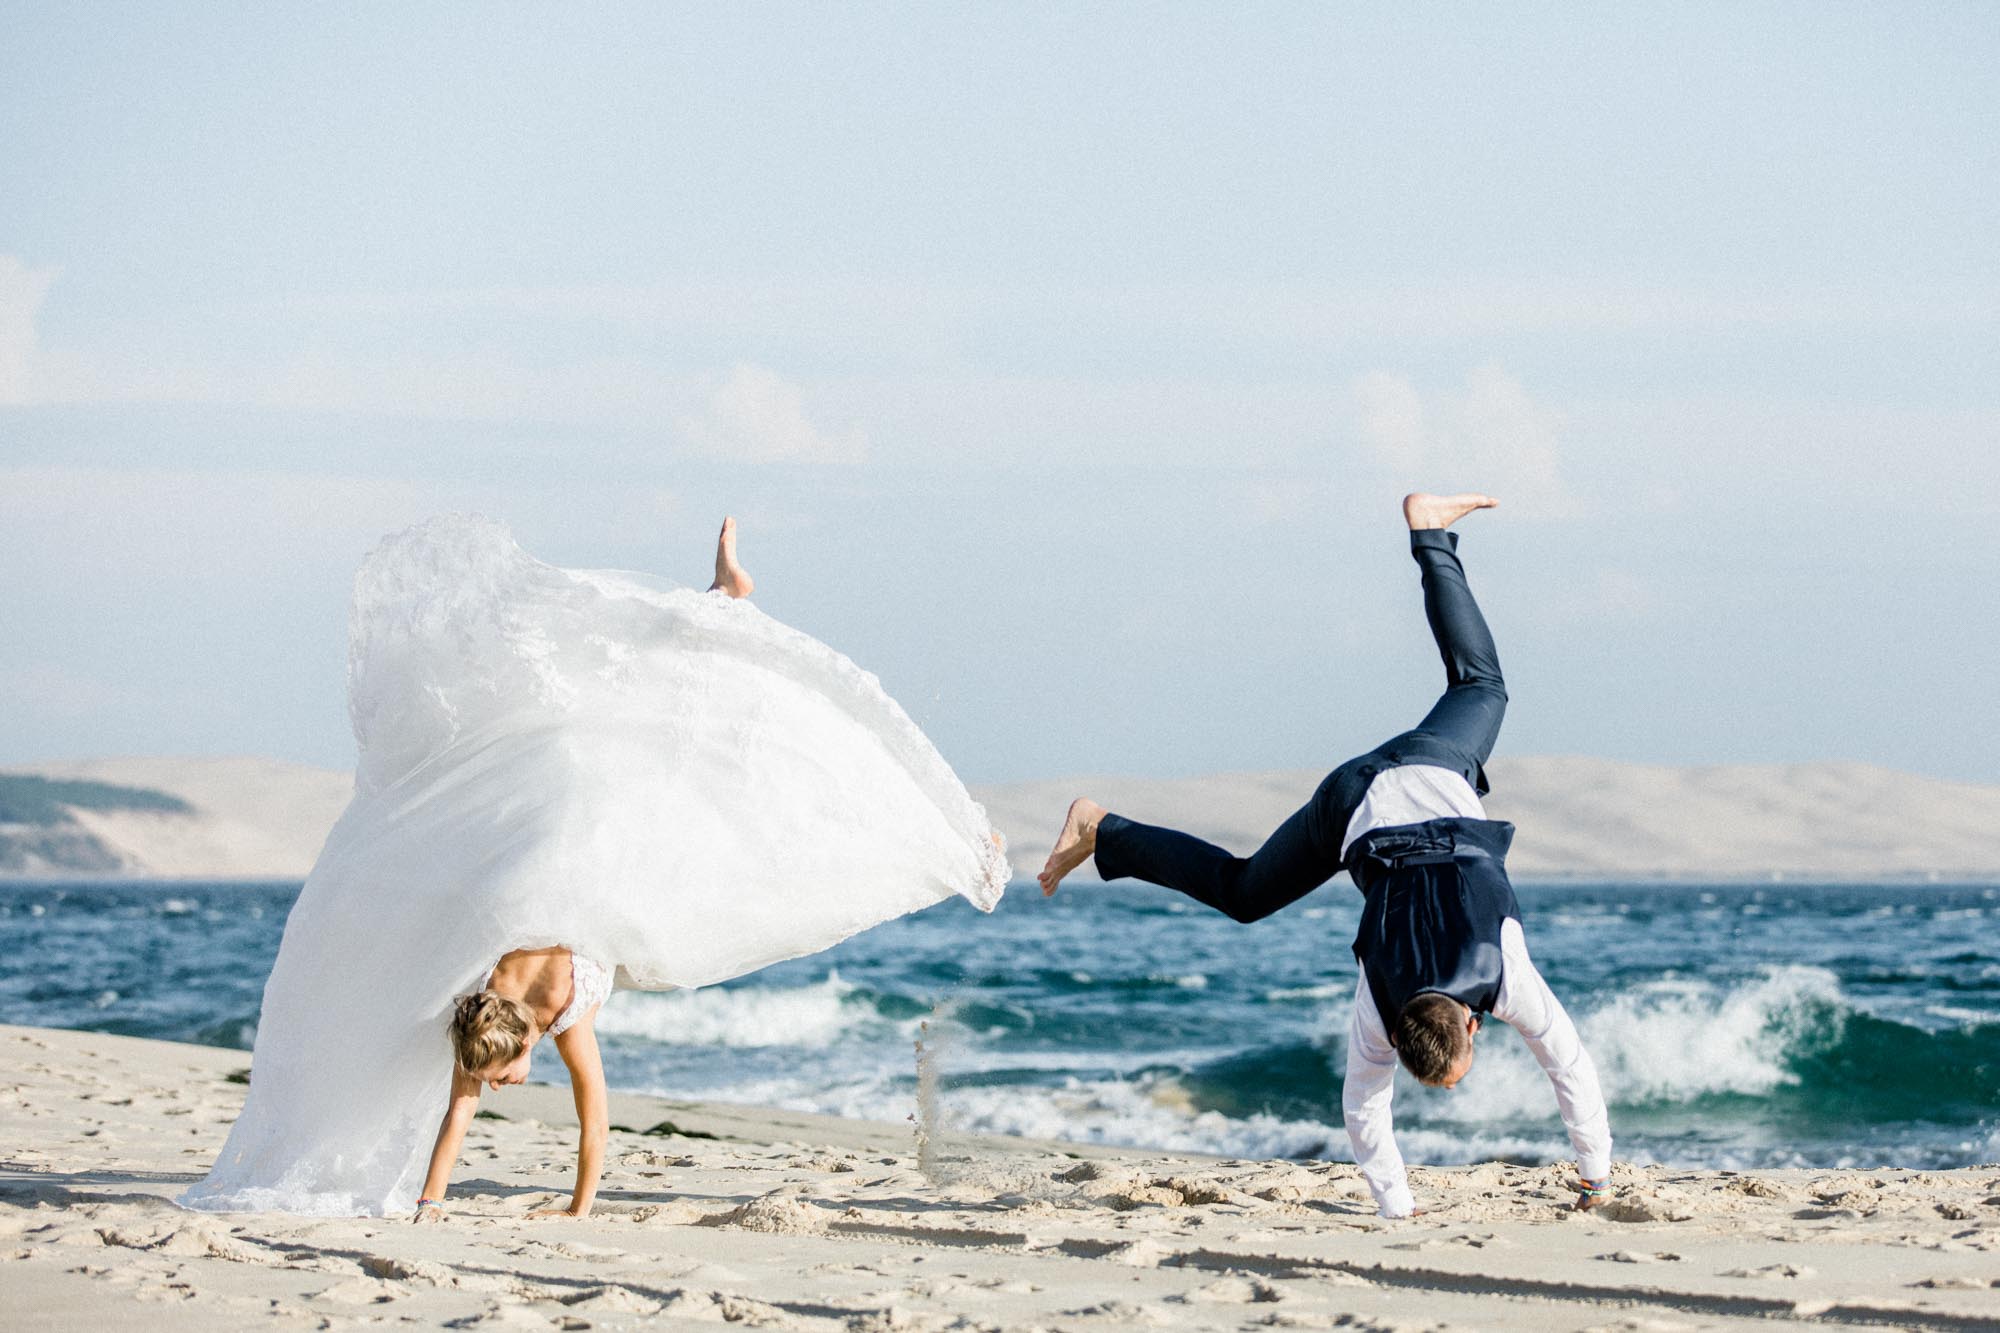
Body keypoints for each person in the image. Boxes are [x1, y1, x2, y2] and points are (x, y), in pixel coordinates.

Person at [184, 515, 1008, 1218]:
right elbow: (458, 1117)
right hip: (572, 834)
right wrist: (430, 1202)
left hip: (608, 851)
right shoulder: (481, 1002)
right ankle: (718, 602)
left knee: (723, 797)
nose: (500, 1086)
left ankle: (725, 609)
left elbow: (591, 1116)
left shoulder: (555, 1009)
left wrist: (580, 1206)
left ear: (510, 1042)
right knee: (649, 719)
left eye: (499, 1077)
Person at [1037, 492, 1611, 1218]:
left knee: (1482, 685)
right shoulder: (1399, 997)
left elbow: (1566, 1064)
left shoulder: (1492, 976)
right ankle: (1102, 827)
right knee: (1241, 891)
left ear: (1461, 1024)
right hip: (1359, 796)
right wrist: (1402, 1208)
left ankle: (1432, 531)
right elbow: (1367, 1109)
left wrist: (1593, 1174)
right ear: (1450, 1026)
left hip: (1421, 770)